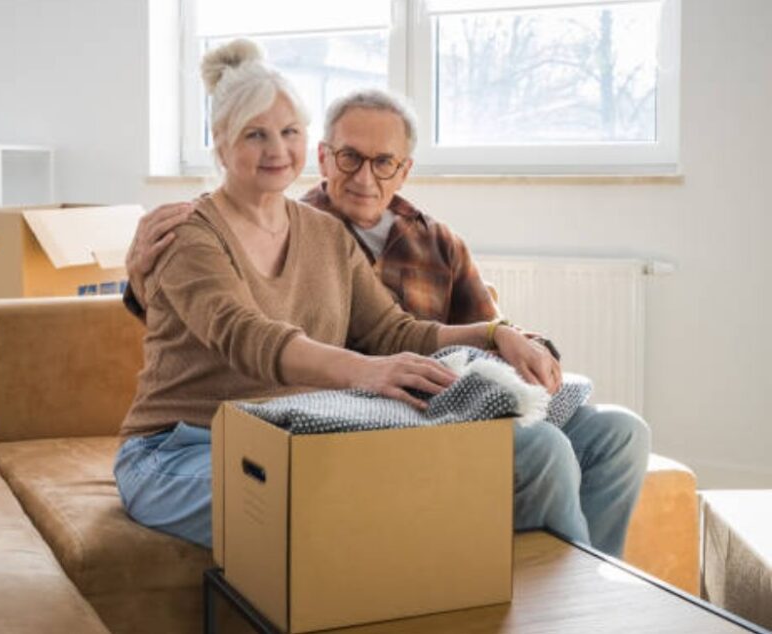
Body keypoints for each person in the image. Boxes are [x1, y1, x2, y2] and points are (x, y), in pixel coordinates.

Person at [123, 83, 650, 557]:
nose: (277, 150)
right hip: (181, 445)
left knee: (609, 434)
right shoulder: (186, 230)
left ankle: (575, 602)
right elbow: (243, 334)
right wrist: (367, 370)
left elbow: (394, 332)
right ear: (219, 142)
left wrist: (497, 333)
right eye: (254, 134)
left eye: (288, 132)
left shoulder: (327, 235)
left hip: (296, 432)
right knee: (342, 505)